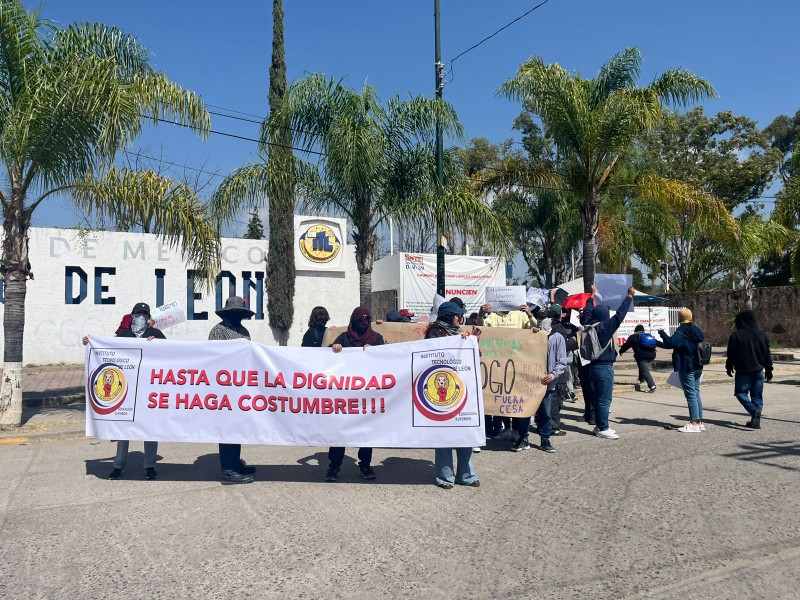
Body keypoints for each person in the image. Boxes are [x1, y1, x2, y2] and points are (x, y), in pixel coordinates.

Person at [82, 302, 165, 480]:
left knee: (149, 430)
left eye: (144, 313)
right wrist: (90, 343)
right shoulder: (123, 335)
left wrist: (157, 344)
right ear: (132, 315)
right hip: (127, 390)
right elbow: (107, 350)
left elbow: (168, 353)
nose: (140, 316)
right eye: (138, 313)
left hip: (148, 389)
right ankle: (118, 465)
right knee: (122, 429)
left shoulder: (155, 334)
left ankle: (150, 465)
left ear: (148, 317)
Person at [425, 301, 481, 489]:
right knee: (445, 434)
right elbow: (434, 354)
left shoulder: (460, 334)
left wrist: (473, 343)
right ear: (450, 316)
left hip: (462, 389)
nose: (461, 319)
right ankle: (444, 476)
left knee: (465, 432)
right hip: (442, 392)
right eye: (458, 316)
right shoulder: (433, 332)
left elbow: (473, 358)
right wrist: (458, 342)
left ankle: (467, 475)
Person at [326, 307, 385, 482]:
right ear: (353, 320)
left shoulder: (376, 339)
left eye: (367, 319)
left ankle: (365, 465)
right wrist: (333, 347)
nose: (364, 322)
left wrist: (375, 351)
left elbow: (387, 359)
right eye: (360, 319)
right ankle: (334, 466)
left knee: (366, 432)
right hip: (344, 395)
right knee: (339, 431)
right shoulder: (344, 337)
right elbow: (326, 357)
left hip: (367, 394)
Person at [209, 296, 258, 484]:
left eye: (240, 312)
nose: (237, 314)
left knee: (237, 427)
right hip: (225, 387)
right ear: (228, 312)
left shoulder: (243, 330)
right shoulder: (218, 331)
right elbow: (214, 357)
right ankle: (228, 471)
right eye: (234, 311)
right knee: (228, 428)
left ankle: (236, 464)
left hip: (241, 385)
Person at [581, 285, 635, 440]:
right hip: (604, 367)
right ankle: (603, 427)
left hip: (592, 366)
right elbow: (620, 315)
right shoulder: (605, 327)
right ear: (605, 315)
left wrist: (592, 296)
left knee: (597, 398)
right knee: (604, 399)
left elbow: (587, 311)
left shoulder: (588, 325)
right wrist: (629, 297)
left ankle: (599, 425)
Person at [479, 301, 537, 440]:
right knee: (501, 395)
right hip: (498, 363)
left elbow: (535, 328)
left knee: (515, 396)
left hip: (517, 362)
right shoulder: (493, 317)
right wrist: (481, 313)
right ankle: (506, 427)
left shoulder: (520, 315)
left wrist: (530, 315)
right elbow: (481, 328)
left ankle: (516, 429)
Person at [511, 314, 567, 453]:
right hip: (529, 382)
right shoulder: (531, 335)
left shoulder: (558, 338)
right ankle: (523, 439)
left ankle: (545, 439)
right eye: (540, 319)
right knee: (525, 412)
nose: (543, 321)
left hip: (547, 383)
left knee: (546, 413)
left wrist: (552, 375)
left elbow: (562, 362)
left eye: (546, 319)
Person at [657, 308, 706, 433]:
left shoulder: (681, 330)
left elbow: (672, 343)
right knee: (696, 392)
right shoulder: (696, 329)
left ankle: (694, 422)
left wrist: (662, 334)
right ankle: (700, 422)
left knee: (690, 394)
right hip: (698, 365)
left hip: (687, 365)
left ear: (680, 318)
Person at [726, 309, 773, 429]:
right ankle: (755, 419)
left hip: (743, 371)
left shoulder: (736, 336)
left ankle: (754, 412)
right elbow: (767, 354)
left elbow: (731, 354)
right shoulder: (762, 335)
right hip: (758, 370)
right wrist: (769, 369)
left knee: (740, 393)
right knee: (756, 395)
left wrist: (729, 366)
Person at [547, 305, 578, 437]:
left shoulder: (544, 328)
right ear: (559, 315)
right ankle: (553, 426)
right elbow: (563, 346)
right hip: (557, 369)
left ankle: (544, 423)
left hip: (546, 368)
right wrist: (574, 341)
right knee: (556, 398)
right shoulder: (559, 330)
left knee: (548, 398)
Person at [619, 324, 658, 393]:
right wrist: (670, 345)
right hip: (652, 355)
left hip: (642, 356)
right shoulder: (648, 336)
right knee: (642, 366)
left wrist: (621, 351)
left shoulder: (633, 337)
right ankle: (641, 379)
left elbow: (626, 345)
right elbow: (658, 343)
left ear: (635, 331)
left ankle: (652, 386)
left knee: (645, 371)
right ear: (643, 330)